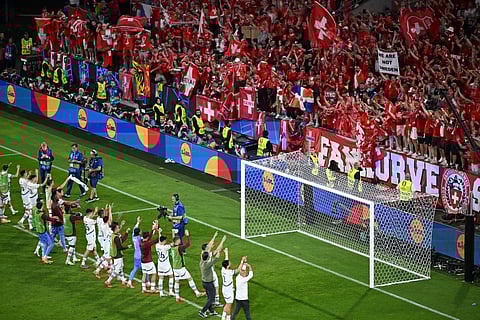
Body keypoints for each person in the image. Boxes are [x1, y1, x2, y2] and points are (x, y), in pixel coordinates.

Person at [170, 229, 205, 302]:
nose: (180, 241)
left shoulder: (172, 247)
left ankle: (177, 296)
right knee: (190, 278)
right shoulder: (179, 248)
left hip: (175, 267)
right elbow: (188, 244)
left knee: (177, 281)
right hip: (180, 268)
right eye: (179, 240)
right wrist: (188, 235)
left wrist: (173, 233)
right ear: (176, 241)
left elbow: (173, 240)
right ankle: (197, 293)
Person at [198, 234, 227, 318]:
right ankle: (202, 311)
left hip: (204, 282)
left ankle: (211, 311)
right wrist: (222, 242)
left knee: (209, 297)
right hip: (208, 283)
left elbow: (211, 247)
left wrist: (215, 237)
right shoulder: (207, 264)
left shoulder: (202, 261)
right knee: (211, 298)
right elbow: (216, 258)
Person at [50, 184, 78, 253]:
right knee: (60, 235)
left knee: (54, 236)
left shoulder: (55, 201)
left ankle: (46, 246)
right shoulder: (55, 204)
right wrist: (61, 219)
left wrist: (74, 203)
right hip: (57, 221)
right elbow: (65, 204)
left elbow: (66, 203)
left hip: (54, 222)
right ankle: (64, 248)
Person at [104, 221, 131, 288]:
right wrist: (127, 247)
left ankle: (123, 280)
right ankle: (108, 281)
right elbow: (120, 247)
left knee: (121, 267)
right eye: (118, 227)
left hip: (115, 254)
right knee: (117, 270)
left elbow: (121, 240)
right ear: (115, 228)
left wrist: (126, 233)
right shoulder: (116, 237)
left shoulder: (113, 235)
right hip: (117, 255)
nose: (119, 228)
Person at [31, 200, 58, 264]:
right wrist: (55, 218)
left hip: (39, 230)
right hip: (43, 231)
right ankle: (45, 257)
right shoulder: (42, 214)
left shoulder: (37, 212)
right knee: (51, 244)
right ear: (41, 206)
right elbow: (49, 219)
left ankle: (44, 258)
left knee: (45, 244)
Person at [222, 252, 246, 320]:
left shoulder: (223, 269)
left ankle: (223, 317)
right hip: (228, 290)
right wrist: (242, 261)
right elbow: (238, 270)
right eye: (229, 263)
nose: (230, 263)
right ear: (227, 266)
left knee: (227, 303)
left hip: (225, 288)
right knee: (229, 305)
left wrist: (226, 253)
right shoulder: (229, 272)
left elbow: (226, 261)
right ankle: (228, 318)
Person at [140, 222, 160, 293]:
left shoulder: (141, 242)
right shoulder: (147, 243)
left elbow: (149, 238)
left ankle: (143, 288)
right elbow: (157, 240)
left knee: (144, 274)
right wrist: (159, 232)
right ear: (147, 237)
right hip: (148, 261)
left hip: (142, 261)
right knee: (154, 273)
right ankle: (152, 288)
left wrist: (152, 230)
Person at [94, 204, 113, 277]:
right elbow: (109, 219)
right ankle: (98, 269)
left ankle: (110, 268)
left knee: (107, 256)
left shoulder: (102, 223)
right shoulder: (107, 227)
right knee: (108, 258)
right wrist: (109, 210)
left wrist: (106, 210)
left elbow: (106, 218)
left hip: (104, 240)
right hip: (107, 242)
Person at [127, 216, 143, 289]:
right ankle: (148, 283)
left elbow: (134, 229)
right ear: (139, 233)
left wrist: (138, 222)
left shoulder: (133, 236)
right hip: (140, 256)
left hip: (135, 255)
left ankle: (129, 281)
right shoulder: (139, 239)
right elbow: (146, 238)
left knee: (135, 269)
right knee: (146, 269)